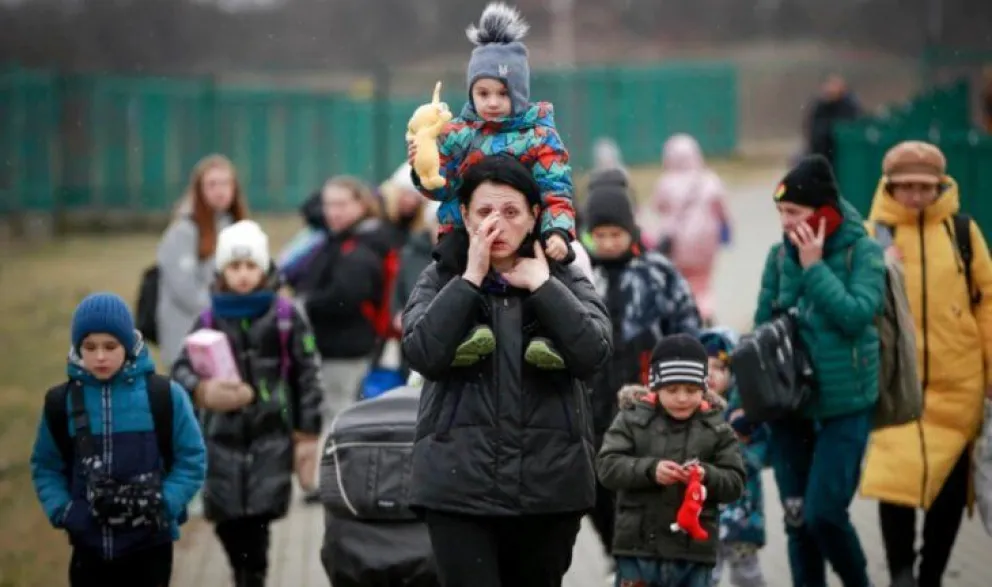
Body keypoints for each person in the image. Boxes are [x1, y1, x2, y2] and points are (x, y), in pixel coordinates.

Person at [401, 154, 612, 587]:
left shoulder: (565, 275)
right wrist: (470, 279)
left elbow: (593, 352)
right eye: (484, 212)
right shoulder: (441, 275)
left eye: (512, 212)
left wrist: (543, 286)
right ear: (463, 215)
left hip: (549, 491)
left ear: (535, 216)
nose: (496, 224)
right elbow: (422, 352)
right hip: (457, 490)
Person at [408, 2, 577, 371]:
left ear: (519, 93)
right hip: (464, 229)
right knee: (454, 265)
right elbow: (444, 188)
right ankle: (467, 332)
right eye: (483, 94)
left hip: (522, 230)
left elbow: (556, 188)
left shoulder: (539, 135)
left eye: (502, 94)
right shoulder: (457, 134)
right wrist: (424, 169)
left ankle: (543, 337)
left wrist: (558, 231)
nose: (493, 103)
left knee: (539, 271)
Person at [858, 141, 992, 587]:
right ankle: (900, 573)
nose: (915, 196)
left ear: (939, 187)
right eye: (906, 187)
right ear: (890, 186)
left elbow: (987, 303)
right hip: (896, 386)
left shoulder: (961, 232)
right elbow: (855, 307)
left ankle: (931, 574)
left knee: (949, 494)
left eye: (924, 187)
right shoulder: (871, 235)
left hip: (959, 384)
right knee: (896, 485)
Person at [753, 155, 885, 587]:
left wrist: (814, 267)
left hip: (845, 407)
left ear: (824, 212)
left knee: (824, 514)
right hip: (790, 409)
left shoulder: (862, 251)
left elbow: (856, 314)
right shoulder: (777, 258)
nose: (785, 223)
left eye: (794, 213)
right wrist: (740, 405)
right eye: (781, 213)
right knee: (798, 523)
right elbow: (759, 338)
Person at [170, 220, 323, 587]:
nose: (242, 275)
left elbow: (307, 375)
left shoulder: (285, 316)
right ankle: (243, 570)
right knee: (226, 521)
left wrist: (308, 431)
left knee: (257, 523)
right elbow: (180, 369)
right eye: (235, 267)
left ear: (264, 269)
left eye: (250, 266)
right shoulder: (208, 318)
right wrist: (203, 390)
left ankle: (251, 576)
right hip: (220, 439)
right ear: (222, 271)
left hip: (271, 438)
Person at [30, 293, 206, 587]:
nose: (100, 356)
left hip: (151, 550)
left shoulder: (165, 396)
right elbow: (45, 466)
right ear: (77, 348)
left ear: (128, 344)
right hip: (88, 551)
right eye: (89, 347)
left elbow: (193, 459)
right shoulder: (60, 403)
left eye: (110, 346)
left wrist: (166, 502)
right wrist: (65, 511)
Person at [582, 167, 702, 572]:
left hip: (646, 401)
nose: (609, 244)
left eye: (616, 235)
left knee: (642, 487)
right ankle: (618, 551)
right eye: (600, 236)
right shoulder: (582, 275)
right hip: (593, 402)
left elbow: (687, 325)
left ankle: (641, 557)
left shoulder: (656, 272)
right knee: (596, 489)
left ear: (632, 231)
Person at [597, 334, 746, 587]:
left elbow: (734, 482)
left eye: (691, 390)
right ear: (655, 386)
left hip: (693, 553)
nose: (681, 398)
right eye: (672, 389)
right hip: (638, 549)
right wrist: (650, 471)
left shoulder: (716, 427)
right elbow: (607, 467)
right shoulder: (632, 419)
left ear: (704, 388)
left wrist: (705, 475)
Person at [156, 154, 249, 369]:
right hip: (188, 337)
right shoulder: (183, 232)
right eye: (212, 184)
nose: (220, 190)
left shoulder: (236, 227)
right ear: (199, 190)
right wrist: (230, 308)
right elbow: (187, 292)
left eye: (226, 183)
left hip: (227, 336)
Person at [699, 329, 768, 587]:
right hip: (704, 516)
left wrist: (739, 442)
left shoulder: (744, 413)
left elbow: (759, 455)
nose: (710, 374)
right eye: (703, 367)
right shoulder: (692, 411)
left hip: (742, 514)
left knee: (747, 574)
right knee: (707, 574)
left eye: (719, 367)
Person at [650, 134, 731, 324]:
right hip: (706, 240)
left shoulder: (666, 182)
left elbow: (658, 207)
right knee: (703, 280)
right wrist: (726, 234)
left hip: (677, 242)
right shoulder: (710, 179)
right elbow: (723, 211)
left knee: (681, 279)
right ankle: (705, 310)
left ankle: (686, 311)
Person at [804, 74, 862, 168]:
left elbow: (849, 128)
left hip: (839, 153)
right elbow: (812, 128)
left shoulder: (849, 105)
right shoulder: (820, 105)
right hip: (820, 149)